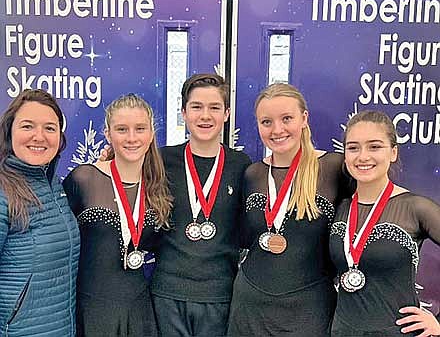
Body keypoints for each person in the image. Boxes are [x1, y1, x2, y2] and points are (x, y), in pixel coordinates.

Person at [227, 83, 349, 337]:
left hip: (310, 310)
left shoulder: (334, 168)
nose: (277, 130)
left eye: (287, 119)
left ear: (304, 118)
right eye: (266, 122)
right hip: (250, 308)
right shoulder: (253, 174)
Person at [150, 73, 252, 337]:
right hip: (168, 293)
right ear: (183, 113)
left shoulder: (242, 165)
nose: (205, 115)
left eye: (214, 107)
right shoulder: (162, 160)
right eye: (196, 107)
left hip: (220, 294)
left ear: (227, 113)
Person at [63, 93, 172, 336]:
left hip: (138, 310)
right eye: (122, 129)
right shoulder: (84, 179)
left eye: (140, 128)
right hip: (91, 309)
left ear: (151, 134)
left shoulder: (159, 184)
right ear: (108, 134)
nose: (131, 138)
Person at [329, 110, 440, 337]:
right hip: (342, 331)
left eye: (374, 146)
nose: (363, 156)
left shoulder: (416, 208)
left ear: (393, 152)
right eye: (353, 148)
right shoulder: (340, 209)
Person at [0, 89, 80, 337]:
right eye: (27, 126)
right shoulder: (3, 191)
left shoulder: (54, 184)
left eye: (50, 128)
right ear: (9, 132)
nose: (39, 136)